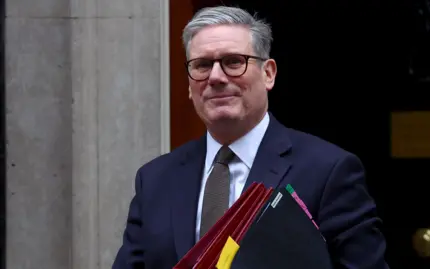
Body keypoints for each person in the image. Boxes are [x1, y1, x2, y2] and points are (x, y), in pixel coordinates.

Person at [112, 6, 389, 269]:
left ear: (268, 74)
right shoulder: (155, 180)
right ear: (189, 83)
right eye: (202, 65)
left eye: (234, 62)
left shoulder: (328, 172)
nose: (216, 77)